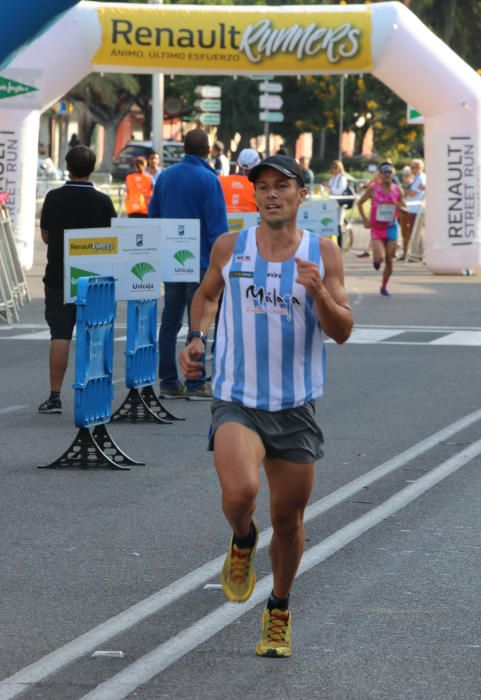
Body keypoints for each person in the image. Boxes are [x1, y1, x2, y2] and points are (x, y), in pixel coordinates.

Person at [179, 155, 353, 657]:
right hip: (237, 398)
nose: (272, 194)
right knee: (240, 494)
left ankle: (278, 607)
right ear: (254, 196)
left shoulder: (323, 255)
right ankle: (241, 538)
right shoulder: (230, 247)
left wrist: (319, 291)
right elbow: (207, 297)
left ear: (303, 195)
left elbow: (342, 330)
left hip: (295, 407)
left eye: (283, 185)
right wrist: (195, 338)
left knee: (291, 519)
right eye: (263, 186)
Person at [149, 128, 228, 400]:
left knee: (170, 320)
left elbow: (154, 216)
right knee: (199, 323)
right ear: (207, 151)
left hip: (172, 258)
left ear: (183, 148)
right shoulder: (209, 180)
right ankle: (195, 383)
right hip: (202, 261)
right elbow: (217, 226)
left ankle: (168, 381)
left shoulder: (165, 177)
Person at [38, 146, 116, 414]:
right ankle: (92, 393)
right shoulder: (103, 201)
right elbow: (112, 239)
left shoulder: (53, 197)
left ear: (66, 166)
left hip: (59, 277)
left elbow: (46, 235)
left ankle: (55, 395)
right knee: (94, 334)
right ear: (92, 169)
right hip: (94, 279)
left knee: (60, 335)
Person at [357, 161, 406, 296]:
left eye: (389, 172)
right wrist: (365, 220)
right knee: (380, 258)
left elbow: (404, 207)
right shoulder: (374, 189)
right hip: (377, 228)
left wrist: (398, 206)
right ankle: (376, 261)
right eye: (384, 172)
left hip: (391, 227)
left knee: (390, 259)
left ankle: (384, 286)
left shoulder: (398, 190)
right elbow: (360, 203)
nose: (387, 175)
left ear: (392, 174)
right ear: (380, 174)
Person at [219, 148, 261, 213]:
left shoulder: (221, 181)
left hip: (223, 222)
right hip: (252, 222)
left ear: (238, 163)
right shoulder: (258, 185)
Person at [327, 160, 348, 248]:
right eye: (333, 168)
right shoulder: (332, 178)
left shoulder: (342, 178)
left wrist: (330, 187)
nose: (333, 170)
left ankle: (340, 246)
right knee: (332, 223)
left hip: (339, 203)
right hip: (332, 203)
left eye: (335, 168)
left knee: (338, 224)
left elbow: (339, 191)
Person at [398, 165, 414, 260]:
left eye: (408, 175)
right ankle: (405, 253)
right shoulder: (401, 186)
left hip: (412, 210)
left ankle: (411, 252)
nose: (405, 177)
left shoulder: (413, 185)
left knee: (411, 233)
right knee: (404, 234)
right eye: (404, 175)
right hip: (402, 211)